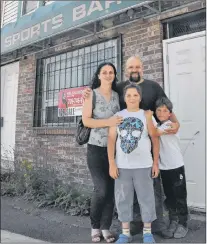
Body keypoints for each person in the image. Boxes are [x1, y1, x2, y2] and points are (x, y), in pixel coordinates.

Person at [83, 56, 180, 234]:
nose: (134, 69)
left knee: (152, 188)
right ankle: (133, 225)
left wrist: (177, 123)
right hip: (124, 149)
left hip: (148, 147)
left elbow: (166, 107)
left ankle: (156, 225)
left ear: (142, 68)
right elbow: (101, 91)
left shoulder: (153, 87)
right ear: (126, 70)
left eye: (137, 66)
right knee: (126, 190)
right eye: (131, 67)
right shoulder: (119, 88)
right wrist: (87, 92)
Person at [108, 83, 159, 243]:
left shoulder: (147, 115)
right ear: (124, 98)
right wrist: (112, 163)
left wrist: (155, 163)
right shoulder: (118, 116)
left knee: (146, 198)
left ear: (140, 97)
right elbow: (111, 140)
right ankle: (125, 233)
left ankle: (147, 233)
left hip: (144, 165)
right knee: (123, 199)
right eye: (128, 95)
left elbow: (155, 138)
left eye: (135, 95)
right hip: (122, 166)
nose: (132, 98)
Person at [82, 62, 122, 243]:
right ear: (98, 75)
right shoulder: (91, 94)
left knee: (112, 190)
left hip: (114, 150)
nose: (107, 75)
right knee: (101, 190)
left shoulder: (117, 95)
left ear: (114, 75)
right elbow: (87, 121)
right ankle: (94, 227)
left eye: (111, 72)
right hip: (95, 149)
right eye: (104, 72)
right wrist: (110, 121)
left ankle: (106, 228)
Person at [153, 97, 188, 239]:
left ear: (170, 113)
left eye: (165, 110)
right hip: (164, 167)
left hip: (176, 166)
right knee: (170, 196)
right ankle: (174, 220)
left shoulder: (170, 125)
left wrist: (148, 117)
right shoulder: (160, 124)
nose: (161, 113)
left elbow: (154, 132)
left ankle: (183, 223)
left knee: (180, 196)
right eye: (159, 110)